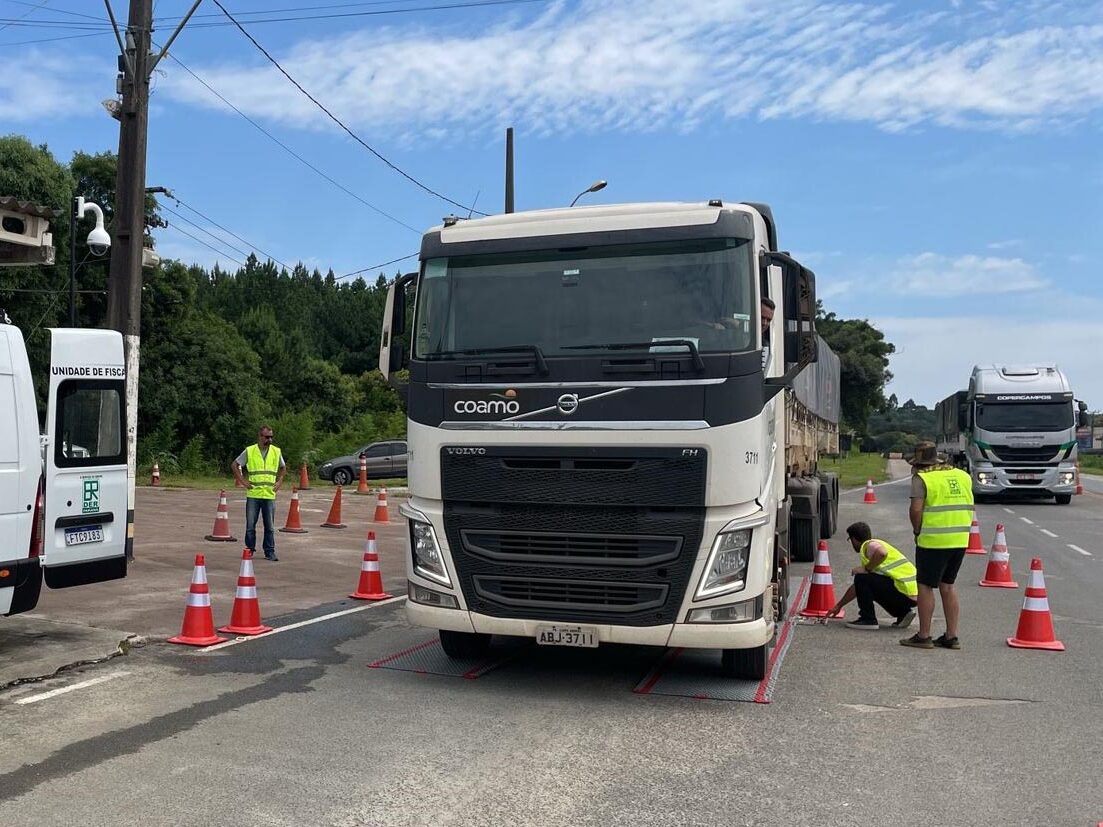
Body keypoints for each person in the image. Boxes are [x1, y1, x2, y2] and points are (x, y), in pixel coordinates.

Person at [901, 441, 974, 650]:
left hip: (932, 541)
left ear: (919, 463)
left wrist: (917, 531)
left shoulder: (922, 478)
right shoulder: (962, 476)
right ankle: (951, 636)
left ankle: (924, 636)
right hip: (959, 539)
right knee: (948, 586)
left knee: (925, 586)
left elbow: (916, 510)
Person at [823, 521, 918, 630]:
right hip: (911, 594)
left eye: (850, 540)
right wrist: (839, 606)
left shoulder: (869, 545)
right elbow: (858, 588)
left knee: (861, 577)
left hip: (904, 592)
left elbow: (882, 553)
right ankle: (904, 613)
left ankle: (867, 619)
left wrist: (866, 568)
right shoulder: (875, 547)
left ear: (854, 539)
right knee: (865, 581)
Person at [232, 425, 286, 561]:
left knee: (270, 527)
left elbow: (283, 467)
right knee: (250, 525)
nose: (270, 439)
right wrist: (243, 481)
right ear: (260, 437)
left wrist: (279, 482)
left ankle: (270, 551)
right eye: (267, 437)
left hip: (269, 494)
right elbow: (235, 465)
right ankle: (249, 549)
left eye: (271, 437)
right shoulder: (250, 451)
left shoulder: (276, 451)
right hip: (254, 494)